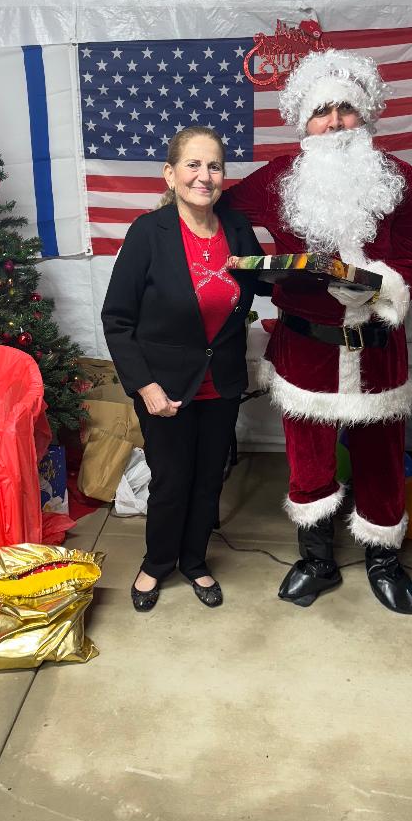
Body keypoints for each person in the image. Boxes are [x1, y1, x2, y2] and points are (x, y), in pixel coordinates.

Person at [222, 49, 412, 615]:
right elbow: (219, 212)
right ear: (304, 121)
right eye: (322, 112)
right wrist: (253, 271)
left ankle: (384, 561)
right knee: (309, 457)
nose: (335, 122)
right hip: (304, 347)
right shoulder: (276, 178)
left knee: (382, 458)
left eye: (346, 109)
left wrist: (382, 287)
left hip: (378, 346)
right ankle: (316, 559)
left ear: (365, 115)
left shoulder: (401, 179)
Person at [101, 126, 264, 612]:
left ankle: (194, 560)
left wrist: (317, 272)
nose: (204, 176)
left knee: (210, 478)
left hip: (222, 381)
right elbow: (117, 319)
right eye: (193, 164)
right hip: (164, 386)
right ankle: (157, 563)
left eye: (214, 166)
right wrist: (144, 386)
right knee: (171, 481)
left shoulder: (237, 228)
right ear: (170, 175)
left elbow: (267, 281)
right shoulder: (148, 233)